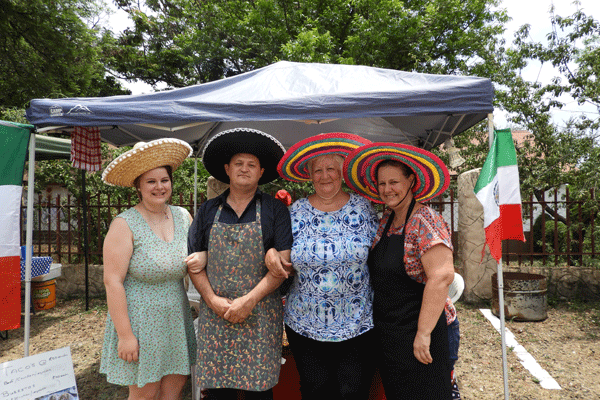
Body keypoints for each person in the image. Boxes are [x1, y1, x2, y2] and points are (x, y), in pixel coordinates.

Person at [266, 132, 379, 399]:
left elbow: (381, 254)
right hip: (305, 323)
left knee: (353, 392)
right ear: (309, 175)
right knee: (315, 391)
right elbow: (279, 252)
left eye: (331, 169)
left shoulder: (364, 209)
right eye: (318, 170)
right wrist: (271, 252)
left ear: (342, 173)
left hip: (357, 322)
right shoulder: (295, 212)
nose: (325, 176)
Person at [343, 142, 457, 399]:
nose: (387, 189)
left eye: (394, 182)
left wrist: (423, 334)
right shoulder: (387, 219)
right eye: (382, 184)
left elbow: (442, 277)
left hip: (422, 333)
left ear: (411, 181)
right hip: (392, 334)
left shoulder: (425, 220)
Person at [187, 128, 293, 400]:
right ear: (227, 169)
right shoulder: (207, 211)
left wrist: (249, 300)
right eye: (238, 163)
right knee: (218, 393)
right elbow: (194, 264)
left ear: (261, 172)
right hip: (217, 315)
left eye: (251, 164)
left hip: (260, 315)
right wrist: (212, 300)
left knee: (259, 393)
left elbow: (283, 266)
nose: (244, 169)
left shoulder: (275, 210)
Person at [99, 138, 199, 400]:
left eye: (164, 180)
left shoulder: (183, 216)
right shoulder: (125, 224)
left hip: (176, 318)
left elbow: (196, 259)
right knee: (145, 393)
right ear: (138, 186)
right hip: (140, 322)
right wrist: (125, 336)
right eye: (151, 181)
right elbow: (112, 281)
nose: (159, 187)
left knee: (173, 391)